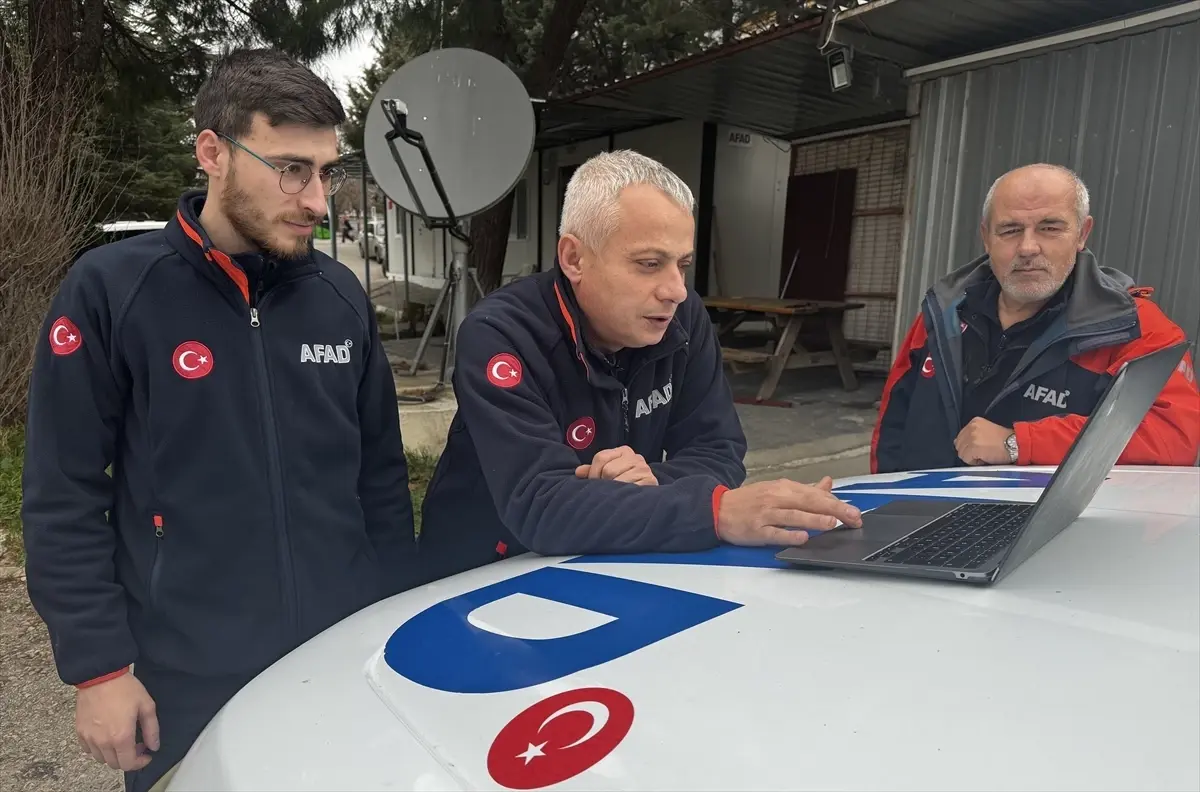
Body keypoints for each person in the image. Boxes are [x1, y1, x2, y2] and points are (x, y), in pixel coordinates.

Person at [21, 48, 417, 792]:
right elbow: (62, 491)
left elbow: (381, 481)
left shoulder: (339, 296)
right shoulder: (113, 291)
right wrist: (99, 667)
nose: (317, 201)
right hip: (187, 670)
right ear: (213, 152)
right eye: (292, 168)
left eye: (327, 171)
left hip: (340, 654)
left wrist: (391, 622)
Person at [414, 150, 863, 585]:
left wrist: (643, 484)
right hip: (478, 580)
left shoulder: (683, 320)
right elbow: (539, 504)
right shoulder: (501, 335)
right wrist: (714, 511)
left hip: (610, 561)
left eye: (681, 265)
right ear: (574, 259)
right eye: (649, 264)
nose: (675, 291)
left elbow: (718, 450)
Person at [872, 163, 1199, 474]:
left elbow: (1173, 435)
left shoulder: (1132, 326)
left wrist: (1019, 443)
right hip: (922, 514)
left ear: (1082, 233)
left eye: (1050, 227)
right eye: (1010, 230)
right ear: (986, 237)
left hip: (1047, 528)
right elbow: (892, 427)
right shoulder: (943, 312)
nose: (1028, 247)